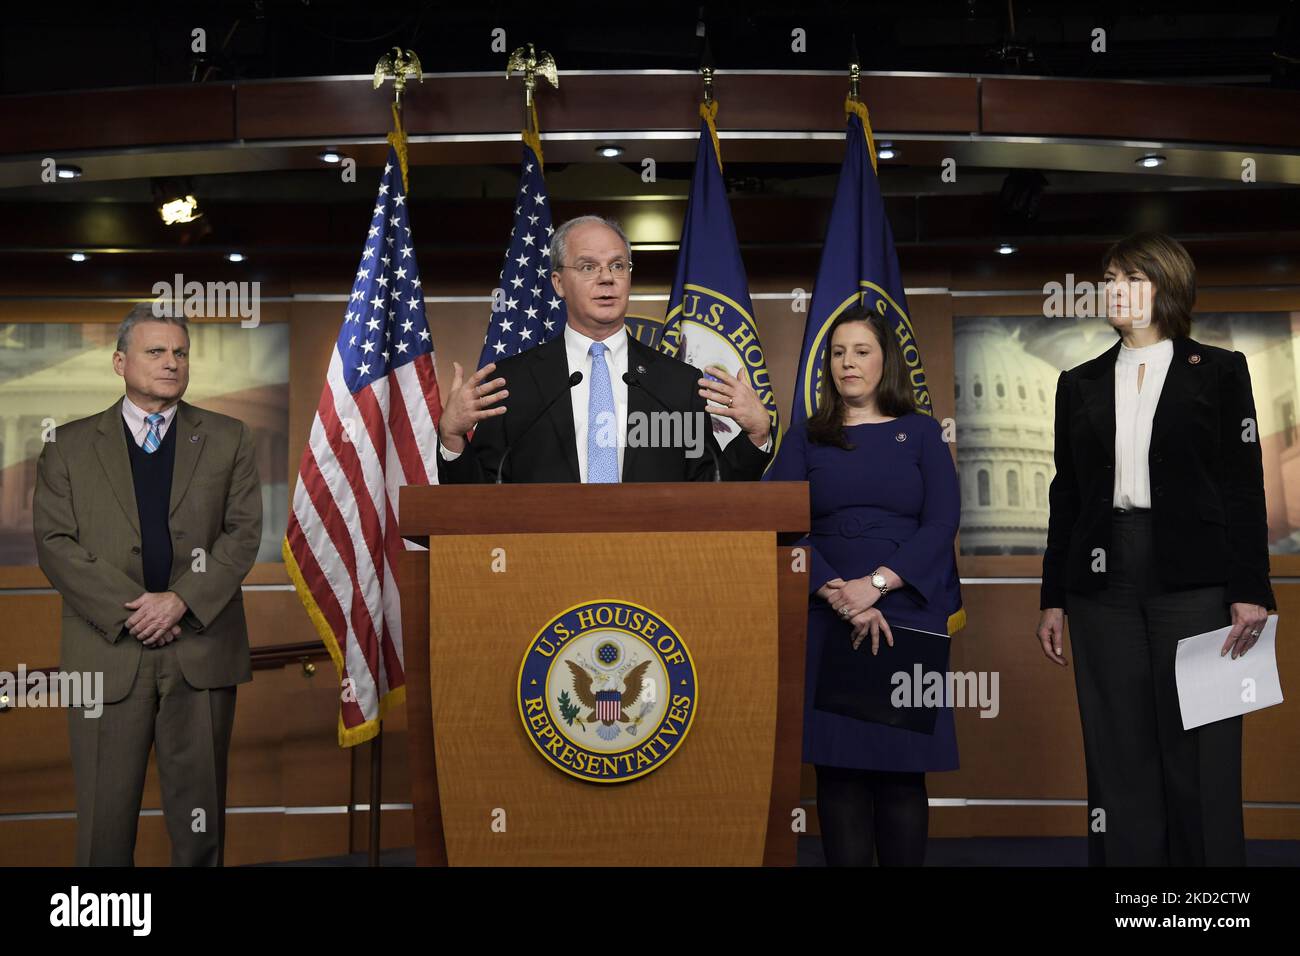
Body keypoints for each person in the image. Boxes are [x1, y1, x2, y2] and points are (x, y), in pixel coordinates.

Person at [1036, 232, 1273, 866]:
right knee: (1118, 754)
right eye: (1109, 277)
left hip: (1199, 581)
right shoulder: (1077, 382)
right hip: (1102, 584)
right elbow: (1067, 495)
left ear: (1165, 285)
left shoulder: (1221, 370)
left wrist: (1251, 588)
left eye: (1129, 277)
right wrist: (1053, 596)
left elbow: (1244, 486)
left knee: (1206, 750)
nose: (1112, 289)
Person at [33, 304, 262, 866]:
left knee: (200, 824)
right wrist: (134, 610)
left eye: (180, 353)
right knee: (103, 830)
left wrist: (181, 600)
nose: (171, 363)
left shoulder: (229, 438)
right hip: (108, 653)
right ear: (119, 362)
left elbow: (242, 533)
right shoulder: (66, 445)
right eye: (155, 351)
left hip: (200, 650)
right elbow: (55, 544)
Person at [764, 304, 962, 866]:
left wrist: (875, 586)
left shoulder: (922, 432)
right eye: (838, 351)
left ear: (886, 361)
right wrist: (838, 594)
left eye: (862, 350)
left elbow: (942, 523)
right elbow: (781, 524)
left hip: (908, 614)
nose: (847, 362)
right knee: (840, 772)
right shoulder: (805, 437)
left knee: (900, 775)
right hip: (827, 617)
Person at [436, 215, 773, 482]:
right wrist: (452, 437)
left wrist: (757, 435)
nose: (607, 278)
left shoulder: (676, 384)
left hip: (652, 561)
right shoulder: (513, 383)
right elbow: (480, 498)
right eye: (588, 267)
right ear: (557, 283)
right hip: (543, 562)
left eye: (618, 265)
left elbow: (709, 493)